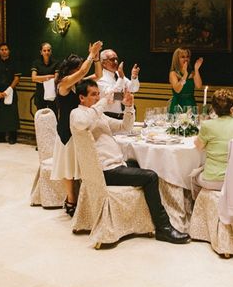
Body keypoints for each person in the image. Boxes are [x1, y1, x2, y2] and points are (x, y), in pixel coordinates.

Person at [70, 79, 190, 244]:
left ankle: (161, 216)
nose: (97, 98)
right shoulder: (77, 114)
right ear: (81, 98)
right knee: (151, 176)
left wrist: (128, 107)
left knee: (142, 164)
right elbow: (82, 123)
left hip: (116, 166)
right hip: (105, 171)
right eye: (93, 95)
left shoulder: (98, 115)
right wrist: (104, 102)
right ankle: (164, 228)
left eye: (98, 94)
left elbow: (125, 128)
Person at [51, 41, 102, 217]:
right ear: (72, 69)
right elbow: (83, 72)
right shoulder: (63, 84)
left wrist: (95, 58)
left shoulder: (79, 82)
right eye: (79, 68)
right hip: (66, 131)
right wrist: (90, 55)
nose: (82, 71)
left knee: (79, 165)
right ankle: (71, 199)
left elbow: (98, 74)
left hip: (79, 129)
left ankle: (80, 197)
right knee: (68, 166)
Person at [193, 89, 233, 190]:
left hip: (212, 179)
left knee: (192, 176)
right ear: (232, 109)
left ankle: (198, 204)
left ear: (214, 109)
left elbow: (199, 146)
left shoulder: (207, 125)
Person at [0, 43, 20, 144]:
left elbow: (17, 78)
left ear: (9, 51)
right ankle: (0, 136)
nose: (4, 51)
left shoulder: (14, 63)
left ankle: (12, 137)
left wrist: (9, 89)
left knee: (12, 114)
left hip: (11, 91)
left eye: (6, 49)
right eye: (2, 49)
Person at [97, 48, 140, 119]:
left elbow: (134, 89)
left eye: (116, 59)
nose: (116, 62)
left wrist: (134, 77)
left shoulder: (118, 74)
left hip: (123, 115)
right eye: (112, 59)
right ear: (103, 63)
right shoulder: (100, 78)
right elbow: (111, 97)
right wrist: (121, 79)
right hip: (109, 117)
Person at [168, 47, 203, 113]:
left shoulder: (192, 73)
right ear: (177, 59)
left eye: (187, 57)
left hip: (190, 104)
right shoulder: (173, 73)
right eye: (183, 57)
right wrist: (185, 75)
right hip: (177, 105)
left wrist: (196, 69)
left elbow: (199, 86)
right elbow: (177, 90)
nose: (186, 59)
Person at [31, 42, 59, 113]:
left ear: (51, 51)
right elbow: (33, 78)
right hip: (40, 94)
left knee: (53, 116)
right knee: (41, 117)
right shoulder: (36, 63)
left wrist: (40, 79)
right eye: (44, 50)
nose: (47, 52)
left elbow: (56, 79)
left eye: (48, 50)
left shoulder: (56, 63)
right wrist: (49, 76)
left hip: (52, 94)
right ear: (41, 52)